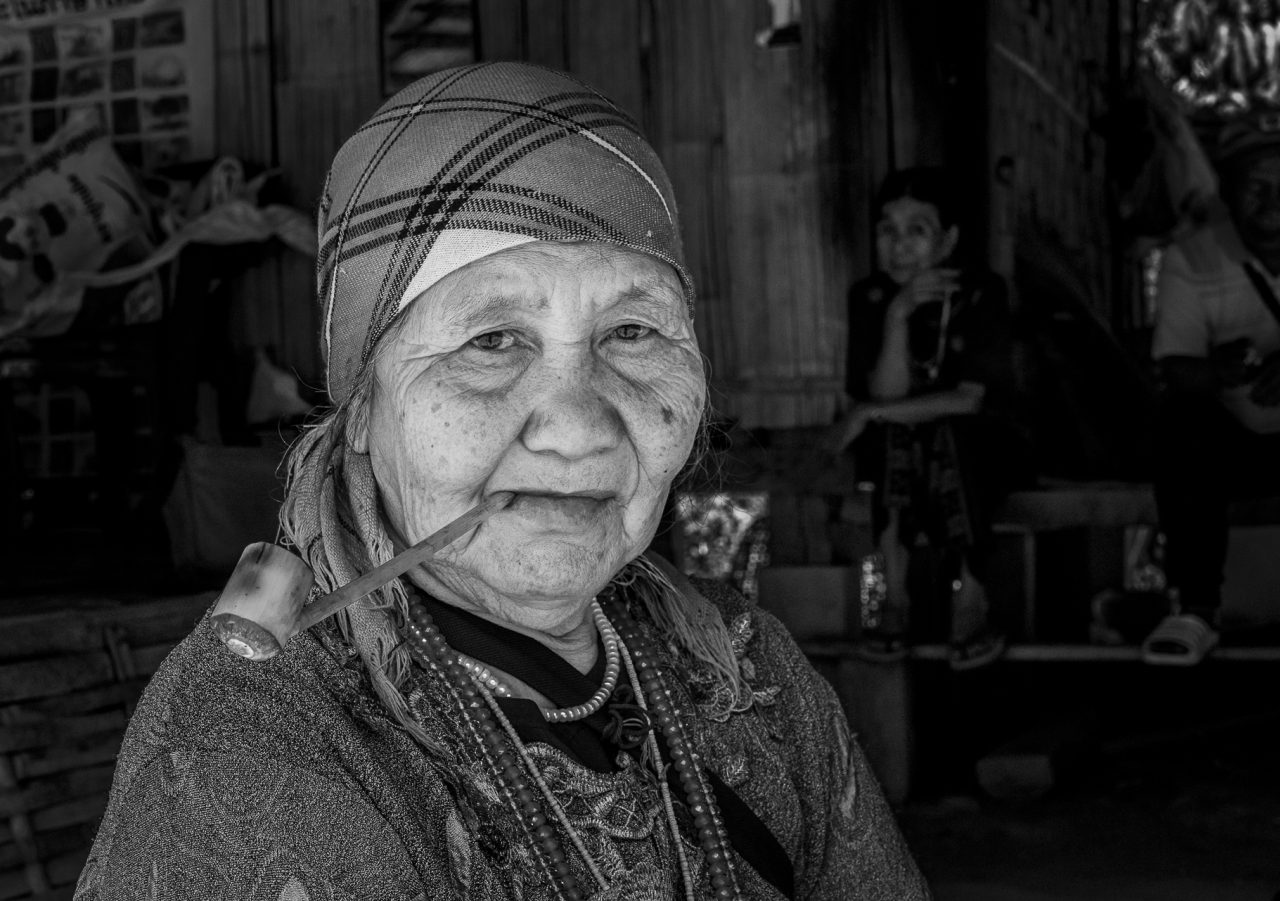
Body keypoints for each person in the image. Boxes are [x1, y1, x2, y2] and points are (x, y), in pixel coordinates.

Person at [74, 63, 931, 900]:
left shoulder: (753, 671)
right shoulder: (253, 749)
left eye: (634, 331)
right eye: (492, 341)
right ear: (364, 410)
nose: (579, 426)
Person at [1147, 105, 1280, 665]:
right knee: (1180, 424)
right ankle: (1195, 610)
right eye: (1256, 186)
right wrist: (1219, 370)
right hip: (1227, 446)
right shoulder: (1191, 259)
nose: (1273, 201)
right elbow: (1171, 368)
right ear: (1230, 191)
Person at [834, 167, 1032, 668]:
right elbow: (886, 389)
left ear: (948, 240)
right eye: (888, 230)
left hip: (983, 451)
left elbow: (969, 400)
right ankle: (895, 596)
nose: (899, 245)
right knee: (898, 433)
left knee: (941, 429)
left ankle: (971, 595)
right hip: (905, 459)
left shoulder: (983, 292)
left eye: (917, 231)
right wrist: (899, 315)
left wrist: (872, 412)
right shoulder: (872, 297)